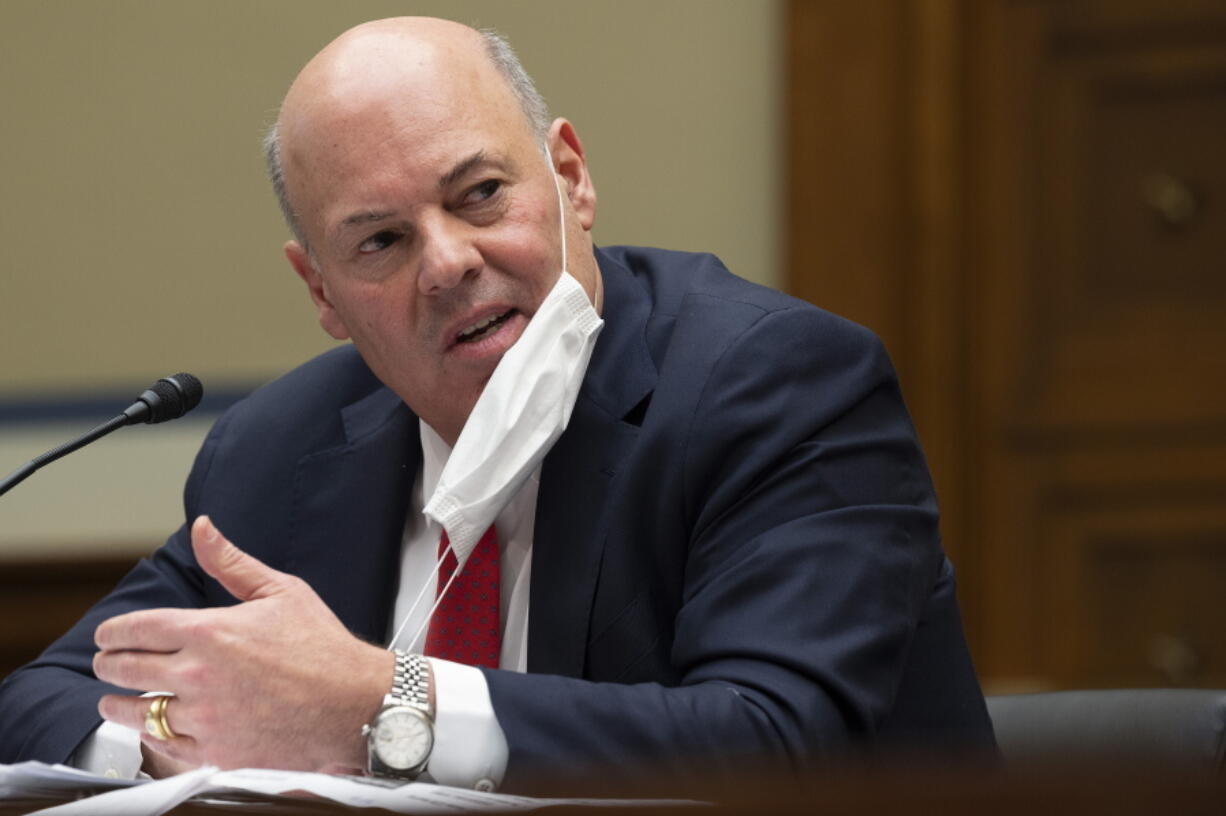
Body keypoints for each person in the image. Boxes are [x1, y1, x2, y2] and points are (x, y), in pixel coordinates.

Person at [0, 17, 994, 795]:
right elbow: (41, 699)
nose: (447, 263)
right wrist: (182, 738)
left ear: (569, 176)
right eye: (380, 243)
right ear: (320, 294)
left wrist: (383, 704)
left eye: (478, 194)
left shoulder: (776, 386)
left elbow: (772, 745)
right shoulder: (279, 448)